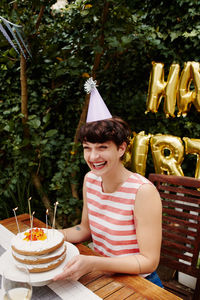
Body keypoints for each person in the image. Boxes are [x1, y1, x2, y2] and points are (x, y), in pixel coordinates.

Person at [53, 79, 163, 287]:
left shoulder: (143, 192)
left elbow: (149, 262)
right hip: (102, 277)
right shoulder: (90, 180)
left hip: (139, 284)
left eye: (102, 147)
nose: (93, 156)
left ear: (121, 148)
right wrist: (53, 236)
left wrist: (94, 262)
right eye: (87, 147)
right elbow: (85, 230)